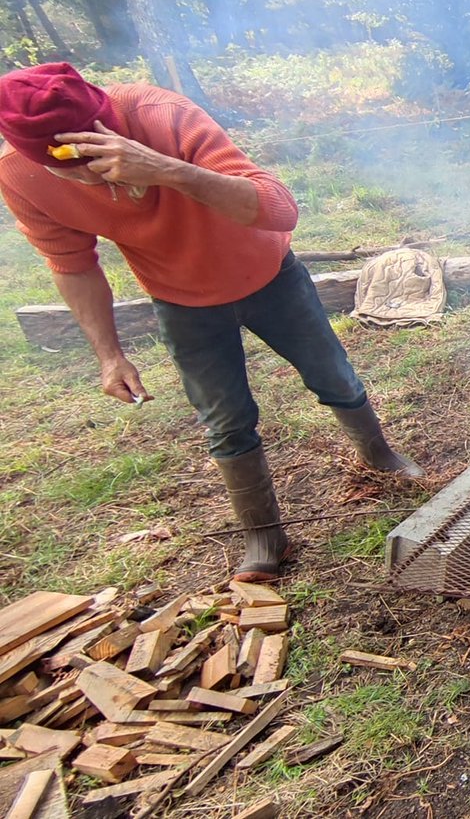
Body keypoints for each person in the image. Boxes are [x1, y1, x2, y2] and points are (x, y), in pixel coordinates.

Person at [0, 63, 423, 584]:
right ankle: (263, 533)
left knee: (332, 375)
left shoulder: (161, 114)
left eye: (100, 153)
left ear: (108, 121)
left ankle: (380, 455)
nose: (93, 176)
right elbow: (71, 262)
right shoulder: (18, 172)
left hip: (269, 275)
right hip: (181, 298)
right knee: (224, 418)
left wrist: (166, 169)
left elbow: (279, 208)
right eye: (73, 167)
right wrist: (109, 355)